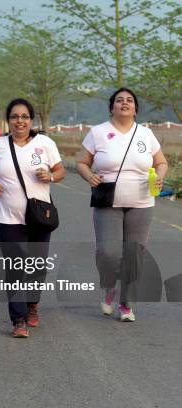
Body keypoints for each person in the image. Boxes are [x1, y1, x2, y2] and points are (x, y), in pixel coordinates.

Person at [76, 88, 168, 322]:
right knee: (109, 252)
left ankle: (126, 304)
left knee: (135, 254)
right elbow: (81, 162)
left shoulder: (145, 134)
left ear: (136, 108)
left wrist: (160, 175)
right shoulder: (98, 133)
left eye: (129, 100)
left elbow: (161, 162)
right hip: (108, 200)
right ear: (112, 107)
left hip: (142, 202)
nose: (124, 103)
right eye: (119, 100)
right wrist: (89, 176)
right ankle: (109, 288)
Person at [0, 98, 66, 338]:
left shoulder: (45, 143)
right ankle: (18, 319)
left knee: (37, 266)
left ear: (32, 120)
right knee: (15, 267)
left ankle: (31, 304)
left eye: (24, 117)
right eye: (15, 117)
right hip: (7, 216)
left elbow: (60, 172)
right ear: (8, 120)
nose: (20, 121)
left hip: (39, 215)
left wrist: (50, 175)